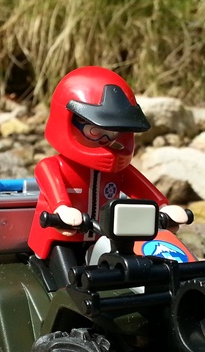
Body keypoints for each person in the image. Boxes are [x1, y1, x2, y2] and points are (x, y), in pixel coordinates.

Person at [27, 66, 189, 283]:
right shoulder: (51, 166)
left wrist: (162, 207)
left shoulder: (119, 170)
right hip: (62, 238)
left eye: (113, 133)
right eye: (95, 131)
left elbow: (142, 188)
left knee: (128, 276)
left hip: (105, 237)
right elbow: (56, 193)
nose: (107, 140)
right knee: (70, 284)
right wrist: (62, 210)